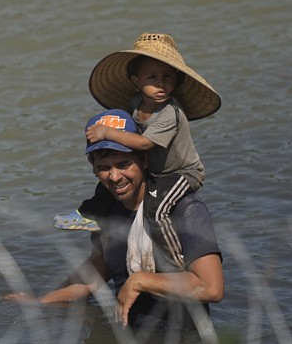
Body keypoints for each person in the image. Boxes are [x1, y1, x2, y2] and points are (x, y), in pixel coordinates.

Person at [10, 109, 223, 331]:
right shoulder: (107, 211)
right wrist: (40, 302)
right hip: (127, 339)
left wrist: (140, 281)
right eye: (104, 168)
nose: (115, 177)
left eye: (123, 164)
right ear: (93, 168)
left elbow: (211, 288)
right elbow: (94, 273)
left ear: (144, 160)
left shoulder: (184, 208)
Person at [53, 32, 221, 273]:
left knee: (158, 209)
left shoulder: (170, 113)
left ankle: (173, 260)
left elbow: (143, 144)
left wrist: (107, 133)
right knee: (105, 185)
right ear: (136, 81)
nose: (161, 84)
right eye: (152, 77)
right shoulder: (135, 105)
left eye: (168, 77)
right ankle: (87, 213)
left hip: (182, 173)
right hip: (156, 170)